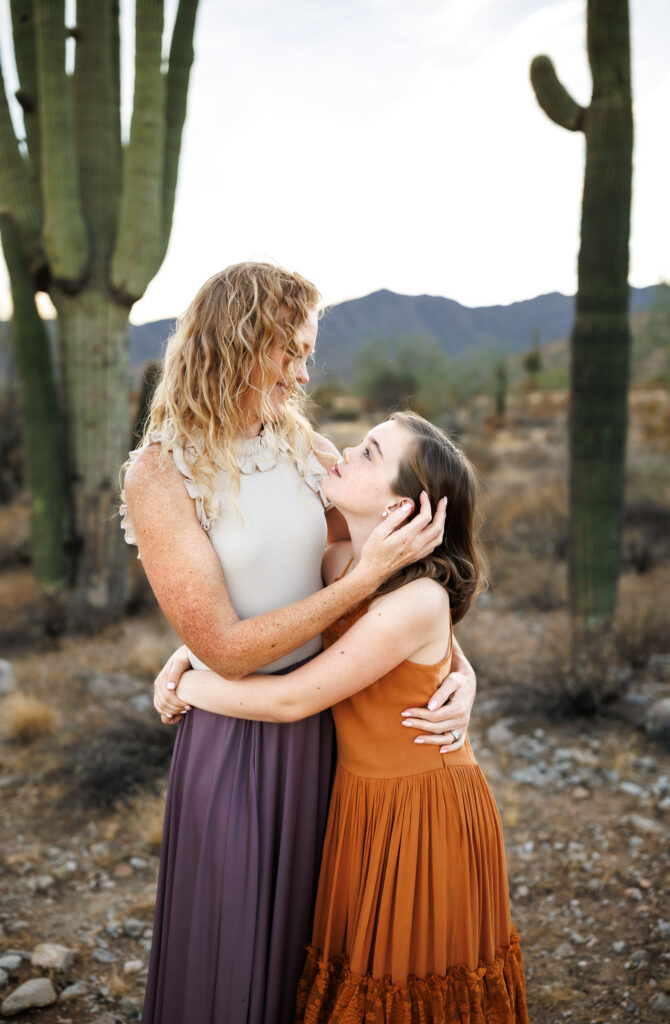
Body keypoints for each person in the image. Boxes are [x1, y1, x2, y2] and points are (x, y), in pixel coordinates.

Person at [121, 262, 477, 1024]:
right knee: (234, 951)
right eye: (292, 352)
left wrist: (458, 670)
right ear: (238, 344)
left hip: (331, 733)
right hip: (240, 734)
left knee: (313, 960)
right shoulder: (160, 475)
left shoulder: (300, 446)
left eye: (310, 353)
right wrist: (194, 659)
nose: (304, 373)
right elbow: (229, 643)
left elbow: (395, 577)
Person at [171, 411, 529, 1023]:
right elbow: (272, 616)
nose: (346, 452)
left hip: (421, 811)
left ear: (404, 510)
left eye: (369, 453)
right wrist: (193, 647)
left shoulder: (417, 600)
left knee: (407, 988)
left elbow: (292, 699)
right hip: (361, 806)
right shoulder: (341, 563)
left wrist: (188, 685)